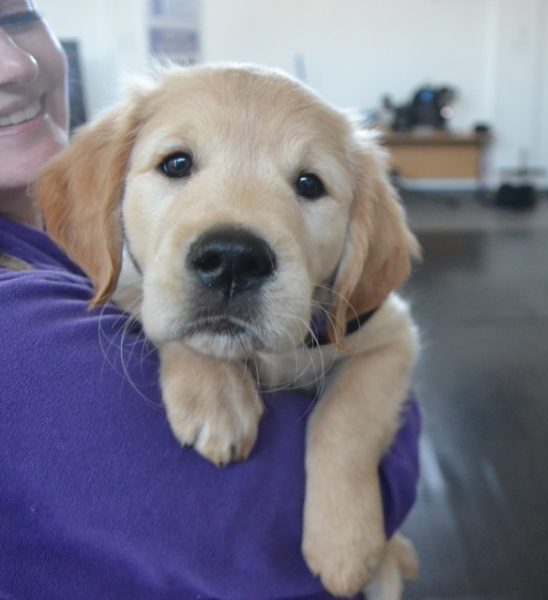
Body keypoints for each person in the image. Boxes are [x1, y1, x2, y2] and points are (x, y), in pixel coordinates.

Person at [0, 2, 421, 598]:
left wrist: (346, 454)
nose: (13, 64)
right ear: (105, 195)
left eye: (308, 184)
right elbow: (263, 542)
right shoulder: (17, 330)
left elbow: (387, 339)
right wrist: (190, 351)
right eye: (177, 164)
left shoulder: (48, 254)